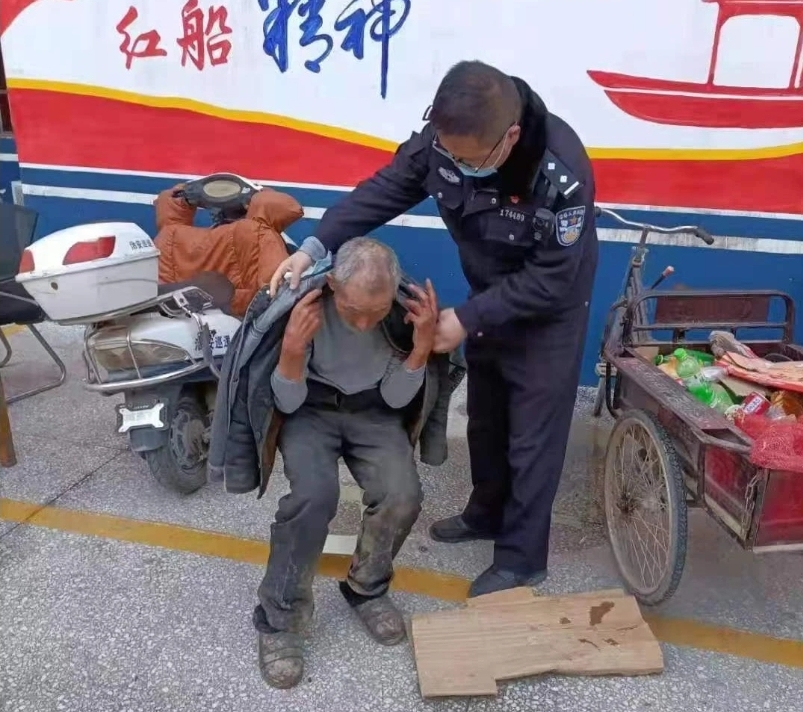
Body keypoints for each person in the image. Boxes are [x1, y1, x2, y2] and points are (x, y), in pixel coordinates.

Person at [269, 60, 598, 599]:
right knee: (486, 414)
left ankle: (521, 558)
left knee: (533, 435)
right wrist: (314, 246)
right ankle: (485, 512)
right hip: (486, 291)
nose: (457, 166)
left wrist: (466, 319)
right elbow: (383, 191)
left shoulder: (561, 174)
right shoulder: (443, 142)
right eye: (449, 154)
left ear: (510, 137)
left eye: (469, 160)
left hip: (549, 310)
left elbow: (553, 278)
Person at [255, 237, 439, 689]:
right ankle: (280, 619)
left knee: (402, 494)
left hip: (373, 410)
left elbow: (396, 398)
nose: (362, 323)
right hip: (310, 409)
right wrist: (292, 350)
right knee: (314, 496)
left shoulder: (399, 313)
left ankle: (366, 588)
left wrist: (421, 348)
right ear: (333, 285)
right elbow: (286, 402)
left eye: (376, 312)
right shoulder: (306, 306)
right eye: (353, 310)